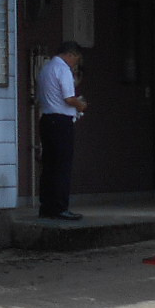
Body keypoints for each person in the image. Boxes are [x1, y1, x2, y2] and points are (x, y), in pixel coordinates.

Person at [36, 43, 89, 220]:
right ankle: (60, 207)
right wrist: (81, 105)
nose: (75, 64)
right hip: (61, 121)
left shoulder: (46, 69)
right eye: (76, 60)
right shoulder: (63, 69)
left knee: (49, 165)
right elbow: (69, 98)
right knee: (62, 166)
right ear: (71, 55)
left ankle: (46, 207)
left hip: (46, 119)